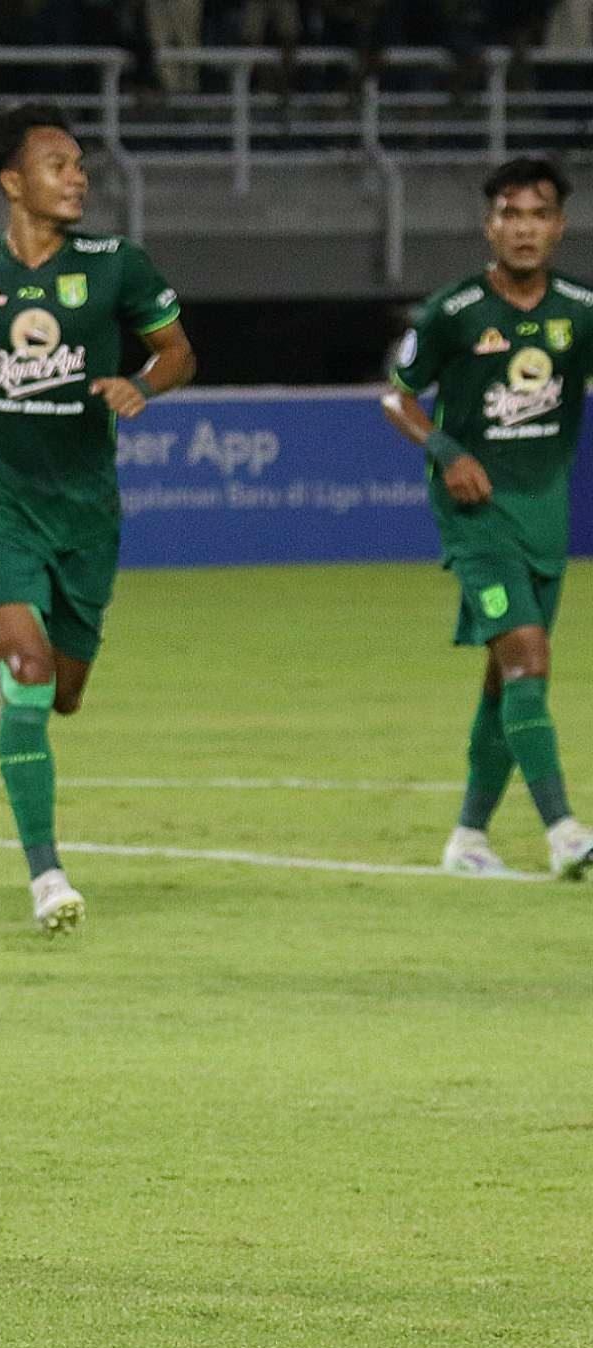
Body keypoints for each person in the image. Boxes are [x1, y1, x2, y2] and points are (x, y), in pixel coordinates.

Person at [0, 102, 198, 935]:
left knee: (61, 692)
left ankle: (6, 675)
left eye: (79, 163)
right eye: (59, 164)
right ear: (11, 181)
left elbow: (178, 349)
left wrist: (146, 381)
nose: (79, 176)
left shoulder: (114, 264)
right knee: (27, 669)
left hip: (85, 513)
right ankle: (47, 878)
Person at [384, 155, 593, 880]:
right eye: (511, 214)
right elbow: (397, 395)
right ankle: (565, 830)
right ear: (490, 225)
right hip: (476, 519)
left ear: (559, 227)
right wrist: (446, 449)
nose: (525, 228)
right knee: (528, 660)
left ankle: (468, 839)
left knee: (508, 679)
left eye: (539, 214)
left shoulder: (580, 310)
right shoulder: (456, 309)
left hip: (544, 515)